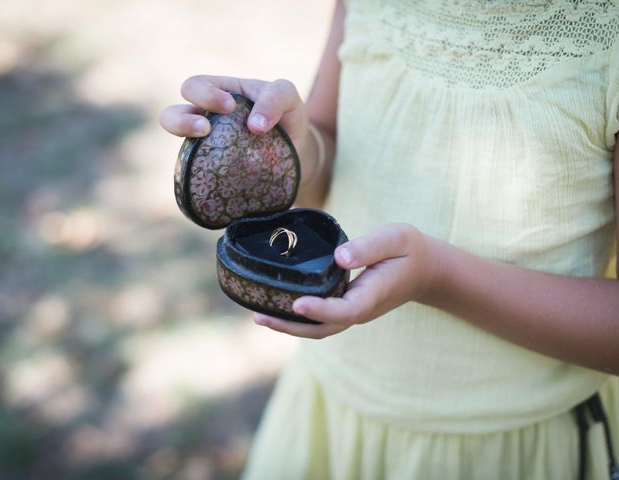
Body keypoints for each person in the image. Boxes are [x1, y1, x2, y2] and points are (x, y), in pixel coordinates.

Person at [160, 1, 619, 478]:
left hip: (513, 446)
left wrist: (437, 277)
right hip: (332, 411)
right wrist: (283, 152)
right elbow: (327, 145)